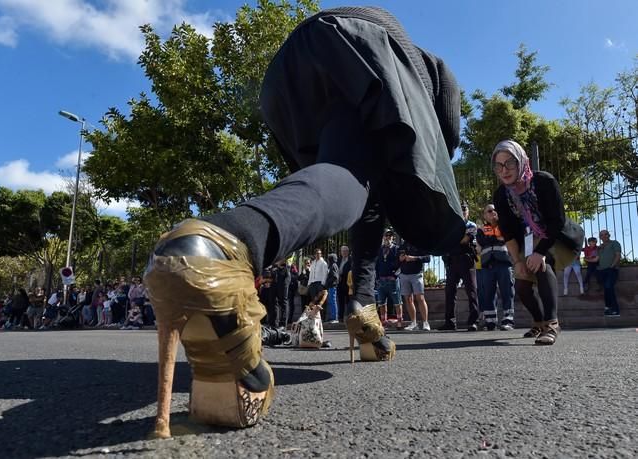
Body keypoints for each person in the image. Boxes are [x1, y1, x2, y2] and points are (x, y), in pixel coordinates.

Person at [143, 6, 463, 437]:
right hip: (362, 50)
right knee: (353, 177)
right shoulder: (434, 72)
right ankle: (229, 242)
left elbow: (371, 210)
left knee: (358, 188)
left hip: (291, 72)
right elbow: (443, 138)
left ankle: (362, 308)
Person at [492, 140, 582, 345]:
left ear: (522, 161)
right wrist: (517, 262)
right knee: (522, 283)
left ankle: (552, 324)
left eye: (510, 163)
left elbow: (557, 221)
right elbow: (507, 233)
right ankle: (539, 322)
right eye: (499, 165)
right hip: (528, 240)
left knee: (543, 263)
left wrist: (540, 252)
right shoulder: (501, 195)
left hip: (557, 237)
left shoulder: (544, 182)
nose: (504, 170)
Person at [439, 203, 479, 331]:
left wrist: (452, 239)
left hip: (466, 260)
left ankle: (473, 321)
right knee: (449, 292)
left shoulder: (471, 225)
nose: (462, 211)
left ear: (468, 211)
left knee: (471, 291)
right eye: (460, 209)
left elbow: (464, 240)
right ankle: (449, 322)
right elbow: (446, 241)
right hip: (452, 260)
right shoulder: (451, 225)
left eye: (464, 209)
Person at [476, 204, 515, 331]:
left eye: (494, 210)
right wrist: (497, 238)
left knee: (507, 292)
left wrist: (492, 239)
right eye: (489, 211)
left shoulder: (504, 226)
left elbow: (506, 238)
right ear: (485, 215)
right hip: (488, 265)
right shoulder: (481, 230)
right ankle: (490, 321)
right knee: (488, 293)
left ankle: (508, 320)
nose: (493, 212)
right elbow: (482, 241)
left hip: (504, 263)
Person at [397, 242, 431, 331]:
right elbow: (396, 260)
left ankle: (425, 323)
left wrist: (414, 258)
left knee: (420, 298)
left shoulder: (420, 244)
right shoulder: (402, 246)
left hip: (417, 274)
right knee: (408, 299)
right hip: (404, 275)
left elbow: (428, 258)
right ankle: (413, 323)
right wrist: (400, 259)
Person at [375, 229, 402, 326]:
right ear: (383, 237)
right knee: (382, 302)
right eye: (386, 236)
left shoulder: (396, 249)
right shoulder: (380, 249)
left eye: (390, 236)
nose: (388, 238)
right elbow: (377, 264)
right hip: (381, 280)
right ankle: (384, 322)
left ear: (392, 237)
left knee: (397, 301)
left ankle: (399, 322)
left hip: (392, 280)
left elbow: (400, 264)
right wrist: (377, 278)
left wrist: (395, 276)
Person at [597, 229, 621, 316]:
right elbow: (596, 258)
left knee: (608, 286)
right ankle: (608, 308)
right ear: (600, 237)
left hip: (612, 269)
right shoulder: (600, 247)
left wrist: (612, 266)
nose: (604, 236)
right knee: (606, 289)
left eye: (606, 234)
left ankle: (615, 309)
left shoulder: (614, 243)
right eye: (602, 235)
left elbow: (618, 255)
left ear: (609, 235)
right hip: (601, 271)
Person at [337, 245, 352, 321]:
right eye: (343, 251)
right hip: (340, 282)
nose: (344, 252)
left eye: (346, 251)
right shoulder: (339, 260)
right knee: (340, 301)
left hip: (348, 282)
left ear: (348, 252)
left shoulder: (351, 260)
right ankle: (340, 318)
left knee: (349, 301)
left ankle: (349, 317)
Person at [324, 253, 340, 323]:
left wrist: (328, 282)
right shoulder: (332, 265)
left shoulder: (333, 265)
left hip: (332, 286)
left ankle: (334, 318)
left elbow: (335, 276)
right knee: (331, 302)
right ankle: (332, 317)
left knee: (333, 302)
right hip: (331, 286)